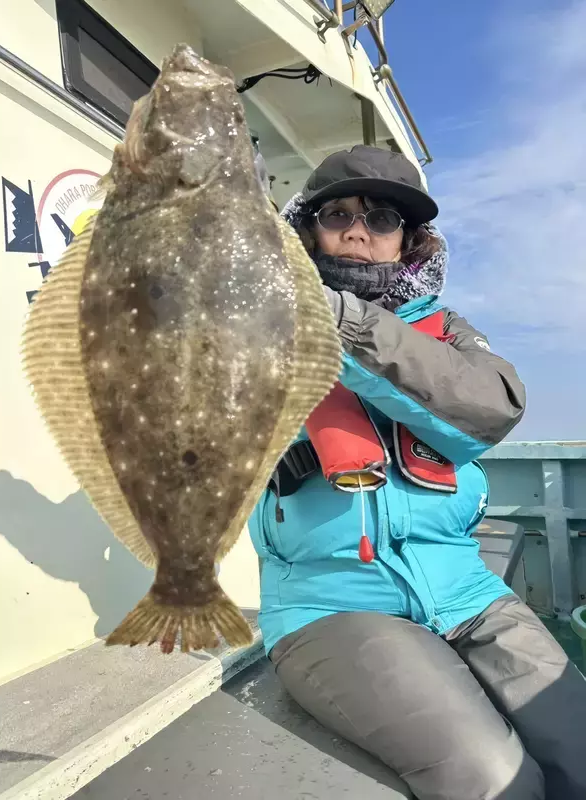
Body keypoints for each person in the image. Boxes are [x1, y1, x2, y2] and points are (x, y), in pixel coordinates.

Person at [248, 145, 586, 800]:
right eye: (336, 214)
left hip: (466, 590)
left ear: (408, 240)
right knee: (496, 781)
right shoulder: (257, 325)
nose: (356, 230)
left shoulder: (445, 330)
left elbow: (489, 410)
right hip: (332, 603)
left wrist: (343, 321)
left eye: (380, 218)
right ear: (308, 230)